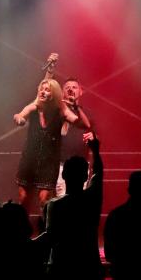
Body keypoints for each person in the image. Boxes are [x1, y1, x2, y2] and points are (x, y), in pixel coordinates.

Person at [14, 78, 85, 208]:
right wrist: (19, 119)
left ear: (54, 94)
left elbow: (83, 124)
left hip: (49, 163)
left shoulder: (60, 111)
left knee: (44, 200)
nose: (43, 92)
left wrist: (77, 108)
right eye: (41, 89)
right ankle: (21, 220)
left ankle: (46, 220)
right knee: (23, 198)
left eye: (47, 90)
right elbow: (20, 115)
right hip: (29, 160)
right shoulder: (34, 107)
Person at [41, 53, 95, 196]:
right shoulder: (57, 110)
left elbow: (94, 134)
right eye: (67, 87)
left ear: (81, 92)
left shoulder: (87, 114)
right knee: (63, 199)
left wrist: (93, 137)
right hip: (60, 166)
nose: (71, 89)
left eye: (74, 87)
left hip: (81, 166)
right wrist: (50, 70)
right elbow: (44, 91)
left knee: (79, 202)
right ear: (62, 92)